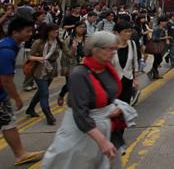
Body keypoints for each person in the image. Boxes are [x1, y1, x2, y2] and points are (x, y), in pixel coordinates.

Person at [41, 31, 128, 168]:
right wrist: (102, 141)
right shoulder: (79, 75)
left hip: (103, 129)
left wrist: (114, 108)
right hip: (81, 134)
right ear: (96, 50)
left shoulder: (107, 68)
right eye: (110, 49)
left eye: (115, 49)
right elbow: (80, 114)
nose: (114, 52)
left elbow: (109, 96)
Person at [0, 17, 45, 166]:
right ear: (15, 32)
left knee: (8, 123)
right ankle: (20, 154)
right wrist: (17, 98)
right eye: (27, 31)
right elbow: (6, 80)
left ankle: (20, 154)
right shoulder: (6, 51)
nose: (30, 34)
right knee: (8, 123)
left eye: (31, 31)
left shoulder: (8, 45)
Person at [26, 23, 61, 125]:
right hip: (39, 71)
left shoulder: (58, 42)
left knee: (41, 91)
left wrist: (73, 48)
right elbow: (29, 56)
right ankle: (48, 114)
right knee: (45, 93)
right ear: (48, 32)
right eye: (55, 31)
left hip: (51, 70)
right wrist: (39, 58)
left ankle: (30, 109)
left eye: (58, 31)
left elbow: (67, 53)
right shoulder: (39, 43)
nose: (57, 32)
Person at [58, 21, 87, 106]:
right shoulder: (69, 39)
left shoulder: (87, 39)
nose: (82, 29)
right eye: (80, 27)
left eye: (84, 27)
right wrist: (73, 49)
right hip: (71, 65)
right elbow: (66, 54)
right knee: (70, 84)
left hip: (83, 65)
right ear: (75, 28)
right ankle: (62, 95)